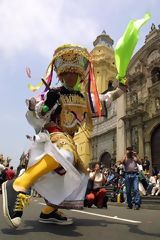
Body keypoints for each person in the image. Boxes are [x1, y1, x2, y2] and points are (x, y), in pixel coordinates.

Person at [2, 44, 125, 229]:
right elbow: (38, 112)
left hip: (69, 139)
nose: (70, 77)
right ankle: (18, 184)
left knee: (77, 177)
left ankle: (49, 211)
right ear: (60, 76)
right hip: (53, 135)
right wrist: (46, 105)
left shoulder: (85, 98)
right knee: (66, 155)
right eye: (66, 74)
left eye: (73, 74)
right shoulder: (55, 94)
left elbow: (105, 99)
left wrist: (121, 89)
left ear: (79, 76)